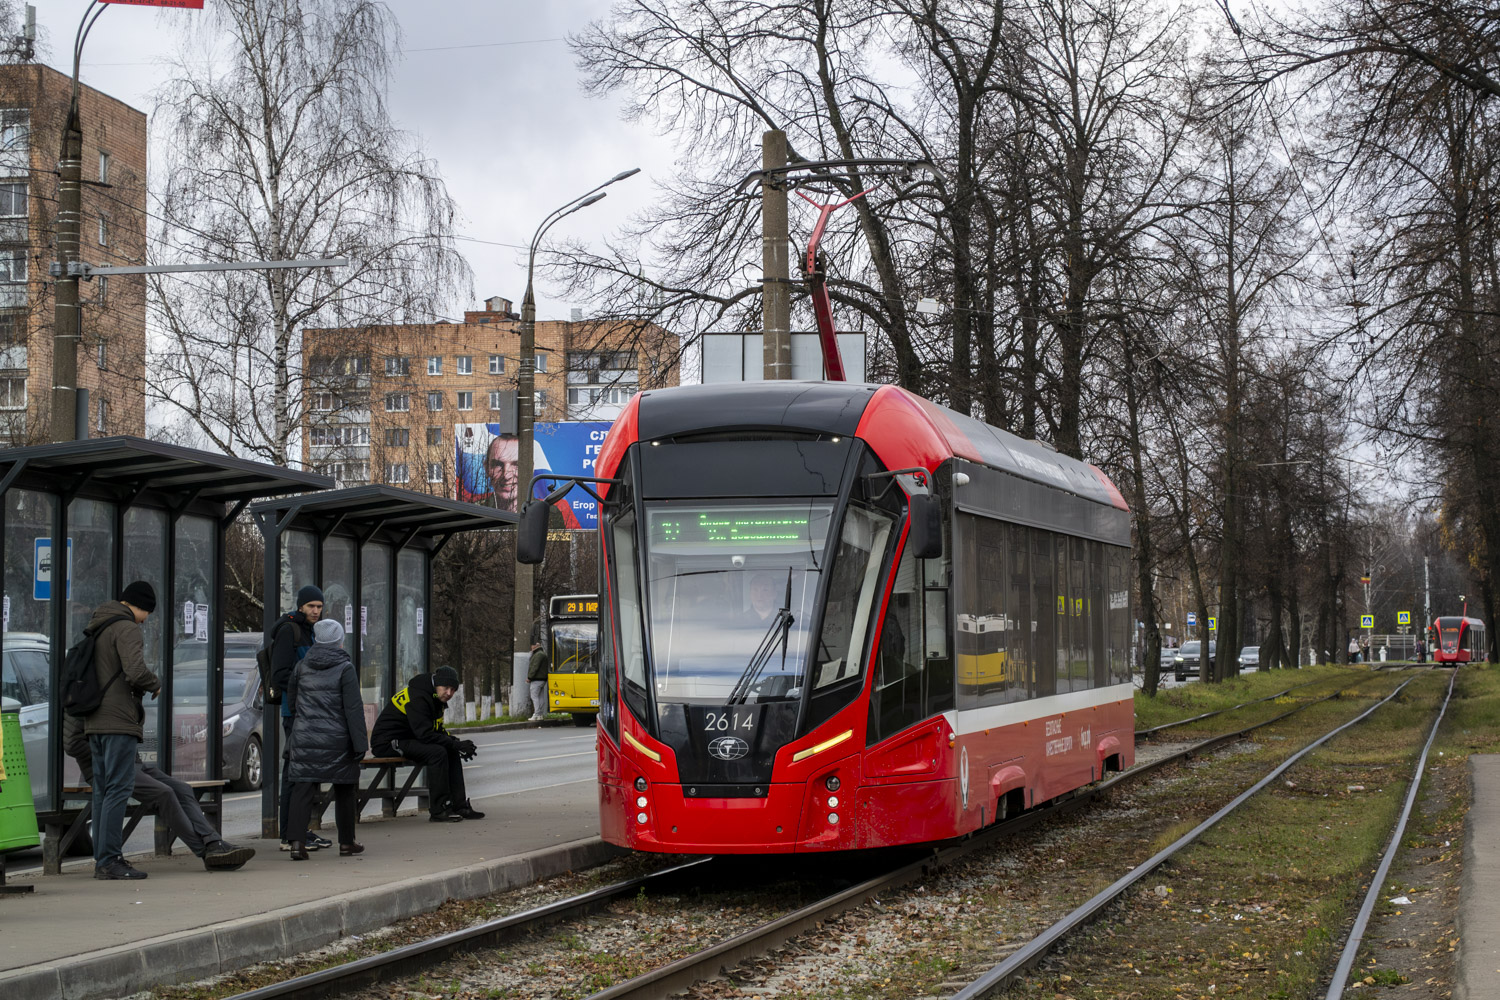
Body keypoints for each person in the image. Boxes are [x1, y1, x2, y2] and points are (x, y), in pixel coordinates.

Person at [63, 712, 254, 871]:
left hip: (133, 763)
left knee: (182, 788)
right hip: (108, 768)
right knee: (164, 793)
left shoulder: (116, 697)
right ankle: (204, 851)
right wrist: (110, 756)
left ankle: (213, 841)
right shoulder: (85, 700)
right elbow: (72, 744)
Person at [82, 581, 161, 880]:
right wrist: (155, 683)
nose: (147, 618)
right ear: (139, 605)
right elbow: (135, 671)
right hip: (117, 720)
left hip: (95, 720)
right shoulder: (126, 628)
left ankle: (102, 859)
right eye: (148, 611)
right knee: (118, 788)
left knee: (102, 790)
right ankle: (111, 859)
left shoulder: (99, 624)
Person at [284, 619, 368, 861]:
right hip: (338, 740)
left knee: (302, 788)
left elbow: (292, 702)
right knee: (344, 789)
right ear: (340, 642)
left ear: (317, 640)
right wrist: (360, 744)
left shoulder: (301, 666)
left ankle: (297, 844)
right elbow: (353, 709)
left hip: (304, 736)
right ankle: (346, 843)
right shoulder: (345, 668)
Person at [266, 585, 332, 852]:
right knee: (294, 773)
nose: (316, 611)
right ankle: (288, 835)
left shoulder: (310, 631)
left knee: (303, 773)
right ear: (301, 606)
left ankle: (299, 830)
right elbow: (280, 674)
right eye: (311, 606)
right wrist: (307, 687)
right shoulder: (289, 630)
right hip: (295, 712)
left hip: (309, 712)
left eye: (319, 606)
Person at [370, 665, 482, 822]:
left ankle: (459, 806)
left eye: (453, 689)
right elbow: (425, 734)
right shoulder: (419, 697)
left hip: (408, 738)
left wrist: (457, 743)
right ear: (437, 684)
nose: (449, 693)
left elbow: (436, 729)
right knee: (437, 753)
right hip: (388, 743)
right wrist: (455, 744)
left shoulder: (435, 697)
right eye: (446, 688)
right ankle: (438, 810)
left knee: (450, 750)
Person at [485, 434, 520, 510]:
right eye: (498, 464)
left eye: (516, 465)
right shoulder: (472, 512)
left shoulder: (547, 514)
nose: (506, 476)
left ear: (531, 468)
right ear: (486, 468)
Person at [527, 640, 550, 722]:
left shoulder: (538, 655)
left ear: (535, 646)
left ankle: (536, 714)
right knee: (540, 697)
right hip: (542, 679)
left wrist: (530, 677)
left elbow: (535, 667)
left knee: (534, 696)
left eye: (532, 645)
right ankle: (540, 715)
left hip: (537, 678)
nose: (531, 647)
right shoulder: (542, 654)